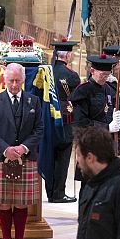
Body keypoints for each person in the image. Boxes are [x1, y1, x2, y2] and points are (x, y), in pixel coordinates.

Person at [0, 62, 43, 239]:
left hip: (26, 158)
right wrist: (6, 149)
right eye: (11, 81)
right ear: (4, 80)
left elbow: (39, 130)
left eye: (18, 81)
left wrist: (23, 148)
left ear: (24, 80)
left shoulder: (34, 101)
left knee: (21, 203)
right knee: (4, 203)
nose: (15, 85)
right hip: (1, 158)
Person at [69, 55, 120, 181]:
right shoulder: (83, 91)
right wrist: (107, 127)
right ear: (92, 71)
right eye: (102, 74)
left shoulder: (109, 89)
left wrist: (118, 125)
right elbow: (81, 123)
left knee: (108, 182)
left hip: (106, 144)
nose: (105, 78)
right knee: (89, 184)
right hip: (89, 143)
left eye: (107, 75)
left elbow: (111, 113)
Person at [47, 38, 80, 203]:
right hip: (66, 118)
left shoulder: (47, 71)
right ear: (68, 55)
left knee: (50, 155)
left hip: (49, 117)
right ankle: (58, 193)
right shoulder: (72, 76)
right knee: (63, 156)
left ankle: (50, 191)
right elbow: (75, 99)